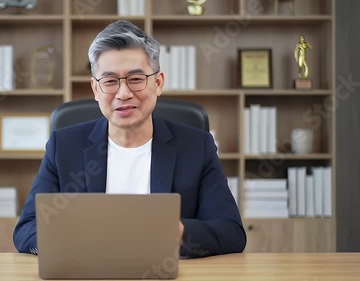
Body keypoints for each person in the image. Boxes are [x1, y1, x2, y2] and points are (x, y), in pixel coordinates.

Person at [13, 20, 246, 258]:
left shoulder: (197, 146)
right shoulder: (63, 147)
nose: (123, 94)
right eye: (110, 81)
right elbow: (26, 231)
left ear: (158, 83)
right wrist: (75, 243)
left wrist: (179, 232)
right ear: (95, 89)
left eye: (136, 79)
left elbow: (232, 233)